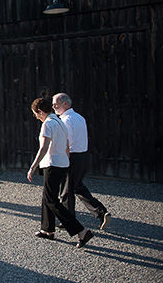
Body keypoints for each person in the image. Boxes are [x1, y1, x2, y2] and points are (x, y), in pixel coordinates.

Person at [27, 97, 94, 249]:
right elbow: (67, 146)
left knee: (52, 201)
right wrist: (66, 161)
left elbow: (43, 148)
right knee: (47, 196)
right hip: (62, 164)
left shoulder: (48, 124)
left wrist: (33, 166)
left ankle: (82, 231)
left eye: (35, 114)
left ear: (41, 112)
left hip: (53, 165)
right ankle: (47, 229)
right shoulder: (60, 122)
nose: (36, 117)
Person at [53, 93, 112, 230]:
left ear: (65, 104)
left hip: (72, 156)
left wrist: (61, 158)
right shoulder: (79, 117)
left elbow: (67, 142)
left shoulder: (66, 120)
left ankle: (68, 220)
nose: (54, 107)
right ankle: (100, 212)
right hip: (83, 155)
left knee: (66, 191)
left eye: (56, 104)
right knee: (77, 187)